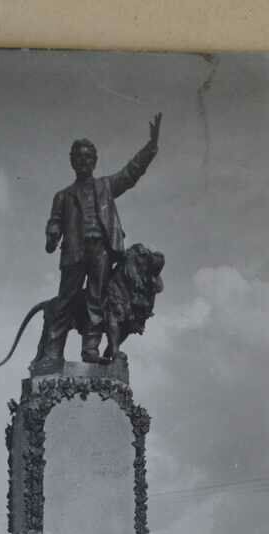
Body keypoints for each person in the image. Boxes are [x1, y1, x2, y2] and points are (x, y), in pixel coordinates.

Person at [42, 113, 162, 364]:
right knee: (65, 301)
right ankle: (53, 353)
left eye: (88, 157)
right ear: (72, 161)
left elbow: (131, 173)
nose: (83, 161)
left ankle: (91, 350)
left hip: (102, 250)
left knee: (97, 300)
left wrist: (151, 148)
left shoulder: (106, 186)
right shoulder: (62, 196)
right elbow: (55, 220)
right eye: (79, 157)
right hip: (74, 251)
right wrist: (53, 233)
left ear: (95, 161)